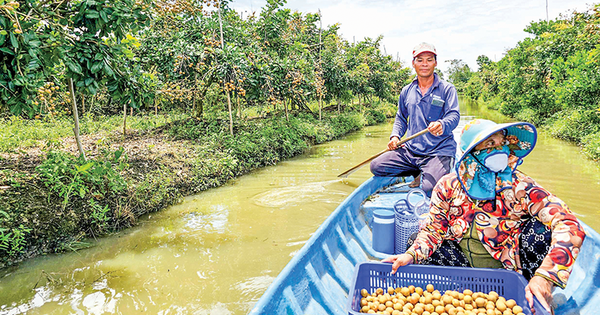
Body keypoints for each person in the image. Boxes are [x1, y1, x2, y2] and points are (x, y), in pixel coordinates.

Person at [382, 119, 586, 313]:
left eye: (502, 142)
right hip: (462, 266)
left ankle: (534, 291)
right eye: (490, 143)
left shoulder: (519, 185)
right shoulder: (448, 185)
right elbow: (433, 230)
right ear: (471, 152)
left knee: (541, 232)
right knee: (415, 245)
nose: (500, 149)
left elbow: (569, 223)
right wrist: (410, 254)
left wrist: (546, 277)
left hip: (510, 268)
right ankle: (456, 295)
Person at [370, 42, 460, 197]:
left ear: (435, 63)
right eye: (420, 60)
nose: (424, 64)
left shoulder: (447, 89)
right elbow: (401, 117)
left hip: (438, 150)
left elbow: (454, 115)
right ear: (413, 63)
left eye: (429, 59)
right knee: (377, 166)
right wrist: (395, 136)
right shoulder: (407, 91)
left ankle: (433, 170)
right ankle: (416, 170)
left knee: (429, 188)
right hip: (411, 150)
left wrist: (442, 124)